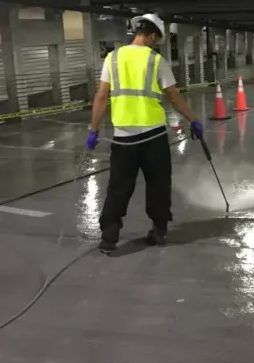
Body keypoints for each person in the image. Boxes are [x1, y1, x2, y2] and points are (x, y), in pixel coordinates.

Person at [86, 13, 203, 253]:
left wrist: (93, 129)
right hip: (153, 136)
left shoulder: (113, 58)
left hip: (123, 137)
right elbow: (173, 96)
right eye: (157, 40)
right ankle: (159, 230)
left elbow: (100, 96)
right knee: (158, 184)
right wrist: (194, 120)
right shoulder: (156, 60)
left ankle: (109, 237)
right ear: (151, 35)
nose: (157, 44)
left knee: (119, 187)